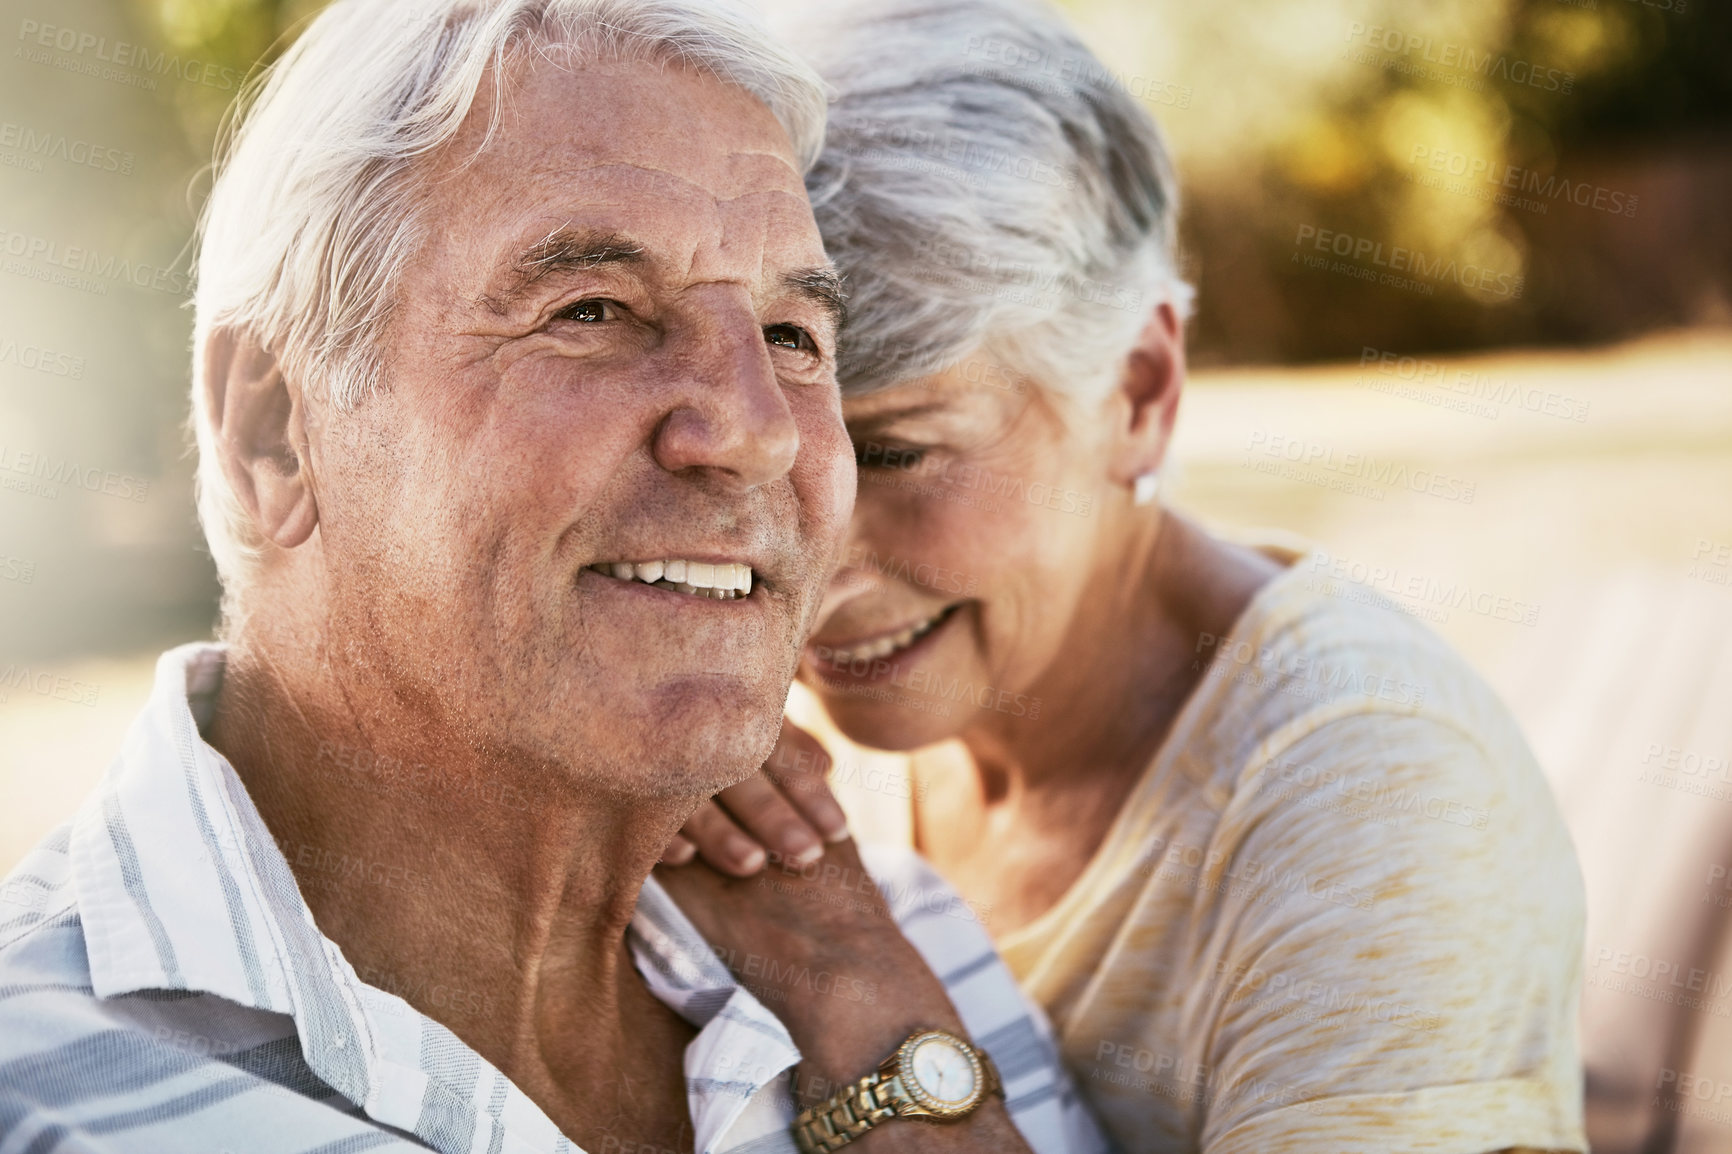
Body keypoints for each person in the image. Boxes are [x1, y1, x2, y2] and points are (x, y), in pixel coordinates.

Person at [0, 3, 1108, 1153]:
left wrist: (874, 1016)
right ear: (276, 432)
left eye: (790, 335)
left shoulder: (899, 960)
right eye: (591, 311)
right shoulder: (37, 1089)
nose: (755, 430)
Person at [665, 0, 1589, 1150]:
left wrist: (845, 967)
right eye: (790, 460)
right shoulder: (799, 732)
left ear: (1141, 390)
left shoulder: (1374, 786)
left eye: (897, 451)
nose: (811, 565)